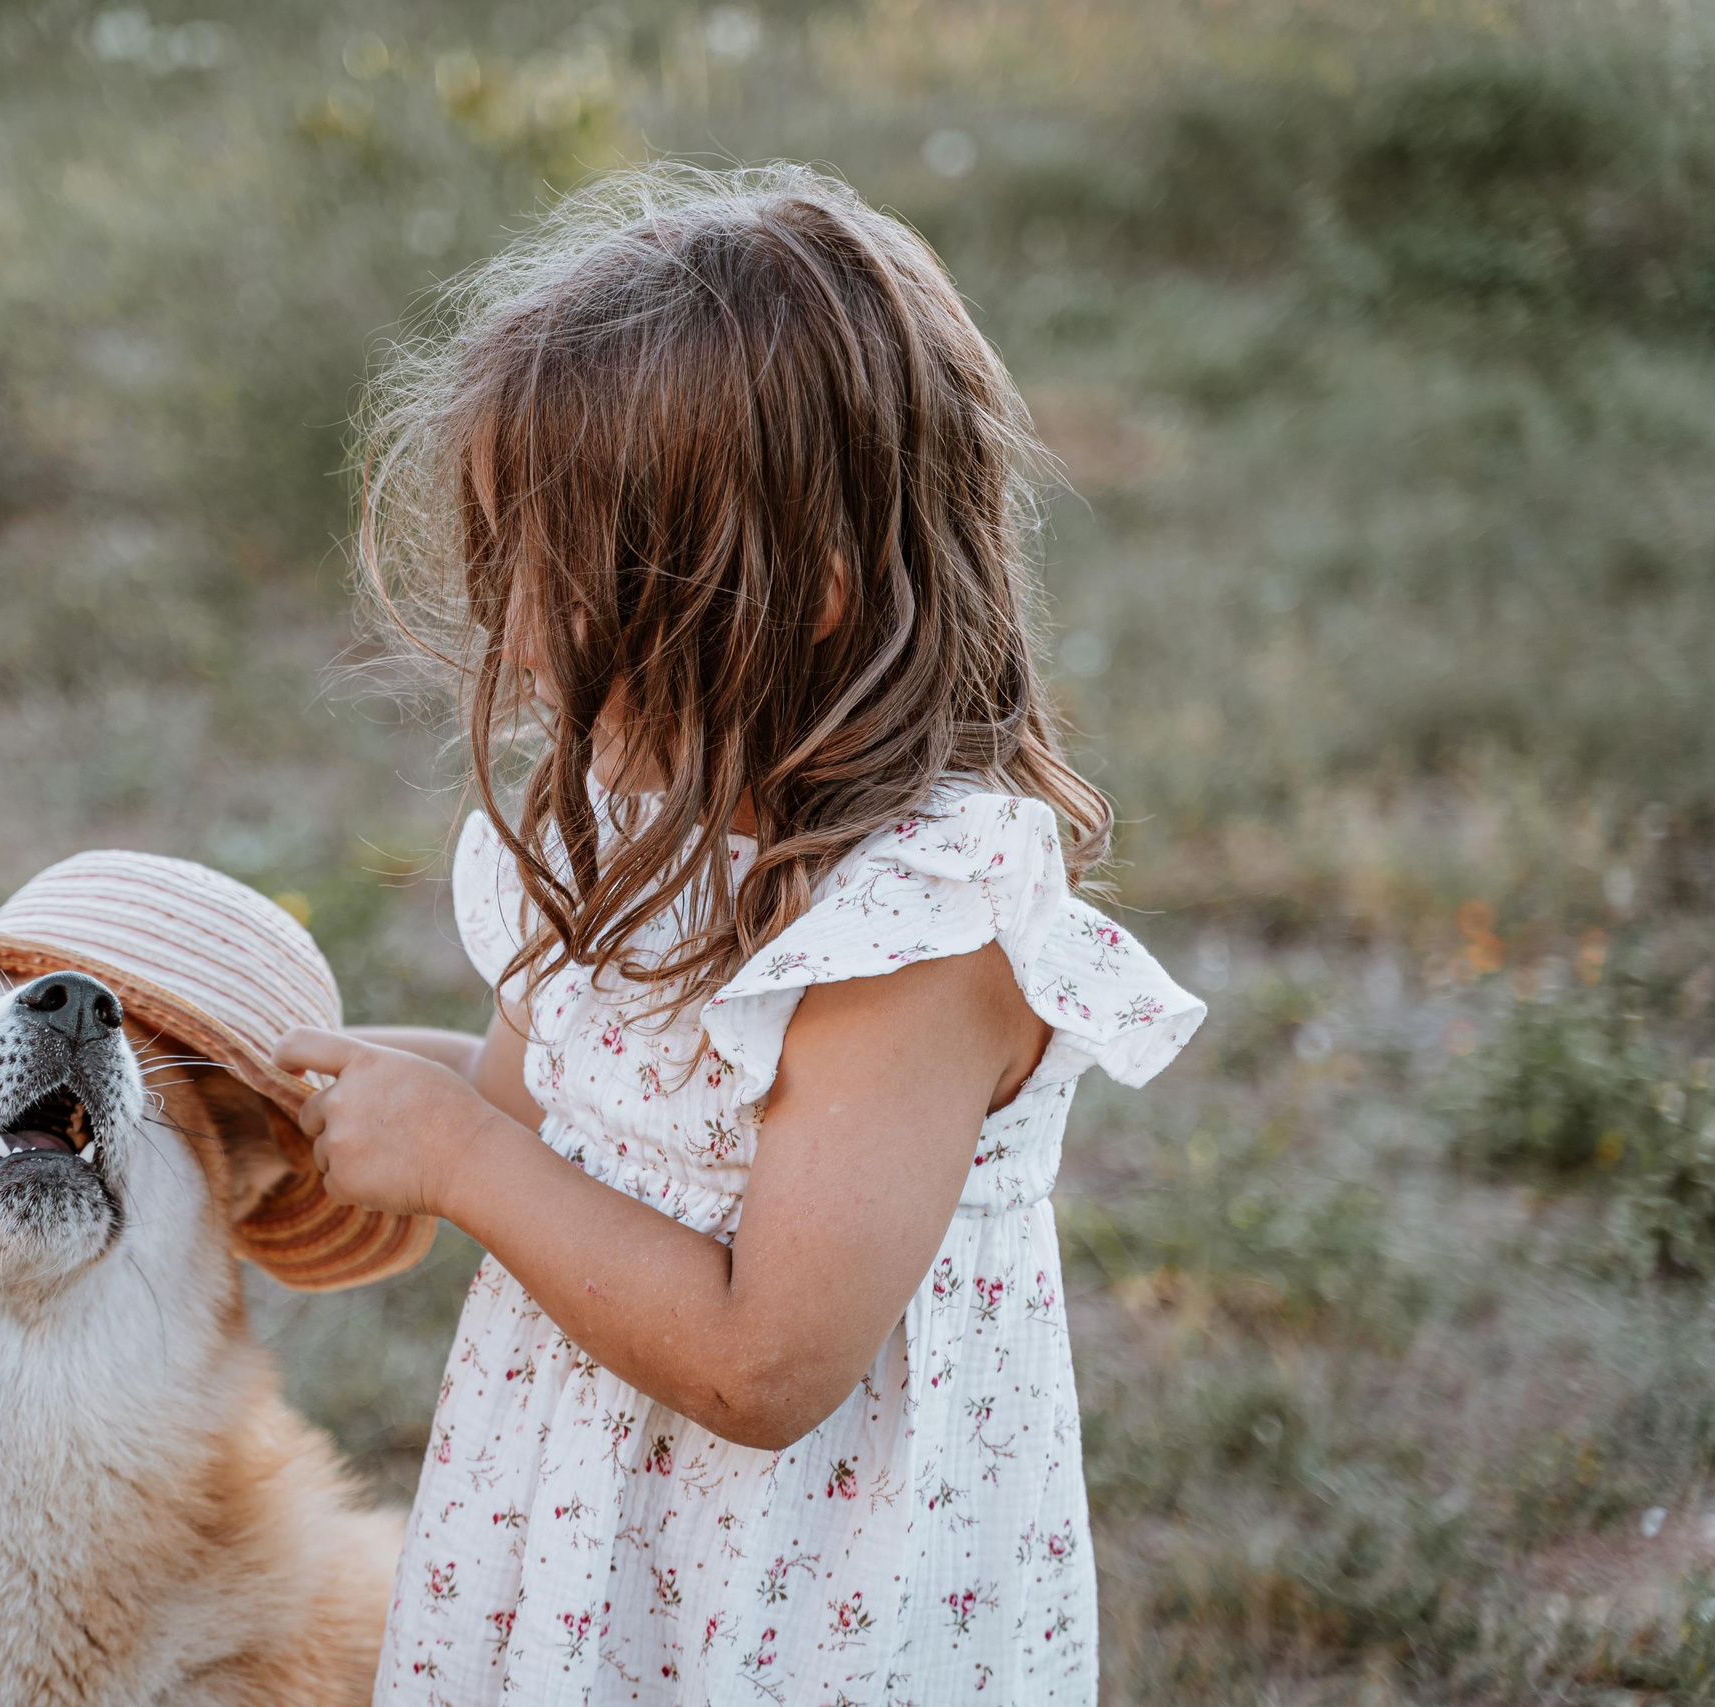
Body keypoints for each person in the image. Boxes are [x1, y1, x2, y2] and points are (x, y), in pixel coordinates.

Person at [273, 163, 1205, 1707]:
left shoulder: (914, 937)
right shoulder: (647, 832)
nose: (515, 637)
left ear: (804, 599)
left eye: (561, 585)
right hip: (588, 1545)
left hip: (799, 1604)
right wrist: (369, 1089)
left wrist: (454, 1162)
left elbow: (766, 1364)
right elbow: (548, 1115)